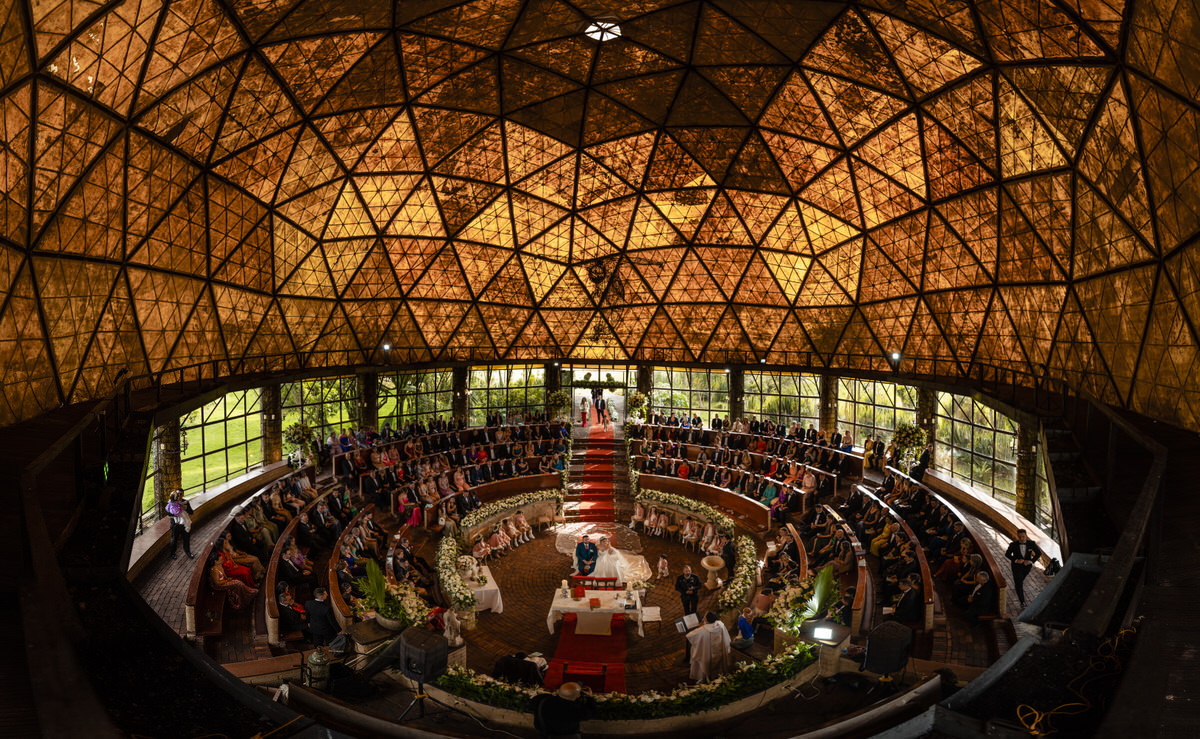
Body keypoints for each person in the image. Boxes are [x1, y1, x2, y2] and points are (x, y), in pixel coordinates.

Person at [528, 682, 596, 739]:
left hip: (544, 735)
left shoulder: (541, 699)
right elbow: (591, 713)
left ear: (558, 690)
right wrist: (589, 698)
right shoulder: (576, 710)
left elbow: (529, 706)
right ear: (578, 695)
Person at [686, 611, 731, 683]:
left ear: (706, 620)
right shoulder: (721, 625)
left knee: (705, 667)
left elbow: (689, 636)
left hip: (706, 657)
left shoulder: (702, 630)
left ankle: (705, 681)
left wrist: (700, 627)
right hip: (720, 654)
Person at [1005, 528, 1042, 608]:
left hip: (1027, 567)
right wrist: (1016, 560)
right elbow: (1007, 554)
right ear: (1017, 536)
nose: (1021, 539)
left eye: (1023, 537)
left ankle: (1018, 585)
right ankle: (1022, 602)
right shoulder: (1013, 545)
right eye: (1019, 537)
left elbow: (1039, 553)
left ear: (1026, 536)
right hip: (1016, 567)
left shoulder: (1031, 543)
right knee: (1019, 583)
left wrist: (1031, 561)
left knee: (1020, 580)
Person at [165, 489, 194, 560]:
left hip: (184, 525)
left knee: (186, 538)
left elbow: (191, 512)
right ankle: (172, 553)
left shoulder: (185, 502)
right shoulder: (172, 502)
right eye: (177, 494)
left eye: (180, 494)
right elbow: (168, 513)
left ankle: (188, 552)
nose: (179, 496)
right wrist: (175, 513)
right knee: (174, 539)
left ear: (183, 494)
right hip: (175, 525)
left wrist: (185, 508)